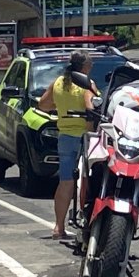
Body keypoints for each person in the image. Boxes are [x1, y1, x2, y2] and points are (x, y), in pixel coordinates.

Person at [38, 51, 97, 240]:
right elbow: (91, 109)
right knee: (88, 180)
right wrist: (91, 129)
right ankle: (89, 224)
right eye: (90, 65)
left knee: (66, 182)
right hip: (83, 138)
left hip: (64, 137)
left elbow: (43, 105)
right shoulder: (87, 85)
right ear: (85, 67)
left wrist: (61, 107)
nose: (92, 68)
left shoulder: (58, 83)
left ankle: (58, 226)